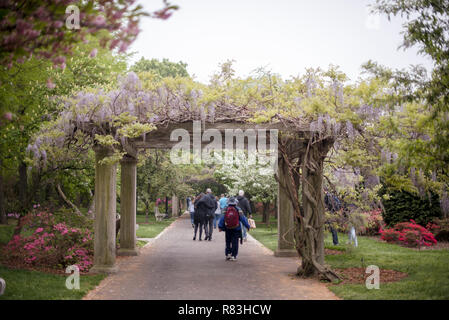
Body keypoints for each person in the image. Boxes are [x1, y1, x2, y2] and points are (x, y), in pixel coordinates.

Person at [218, 197, 251, 261]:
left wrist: (220, 227)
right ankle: (233, 256)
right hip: (236, 228)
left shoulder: (225, 209)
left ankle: (228, 254)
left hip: (228, 228)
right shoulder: (238, 209)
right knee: (235, 242)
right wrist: (247, 226)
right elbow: (243, 219)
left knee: (228, 241)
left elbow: (222, 218)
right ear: (235, 202)